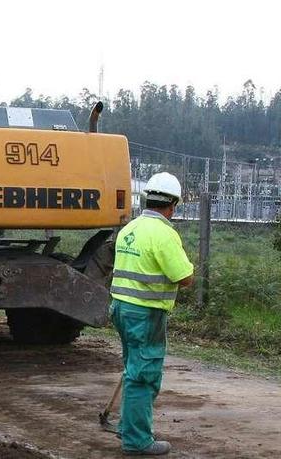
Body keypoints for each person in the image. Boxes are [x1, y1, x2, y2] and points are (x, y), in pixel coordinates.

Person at [110, 172, 194, 456]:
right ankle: (136, 440)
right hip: (145, 315)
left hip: (121, 309)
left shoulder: (130, 229)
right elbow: (183, 277)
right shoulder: (164, 233)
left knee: (133, 370)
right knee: (143, 376)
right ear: (172, 205)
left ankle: (127, 426)